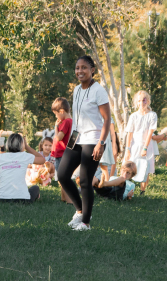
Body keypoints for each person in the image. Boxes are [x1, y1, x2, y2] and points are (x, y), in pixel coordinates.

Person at [57, 55, 111, 231]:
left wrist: (101, 143)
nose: (80, 71)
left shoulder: (98, 91)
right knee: (63, 174)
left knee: (86, 181)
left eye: (84, 68)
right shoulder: (77, 90)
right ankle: (80, 210)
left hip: (93, 139)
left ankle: (85, 223)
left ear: (92, 70)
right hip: (77, 138)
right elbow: (77, 119)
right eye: (77, 68)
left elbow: (107, 119)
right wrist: (70, 142)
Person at [0, 133, 45, 204]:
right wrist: (27, 147)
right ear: (22, 145)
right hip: (23, 200)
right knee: (35, 188)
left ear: (8, 144)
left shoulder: (1, 157)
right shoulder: (25, 156)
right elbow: (42, 159)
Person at [124, 91, 158, 195]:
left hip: (146, 146)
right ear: (136, 102)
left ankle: (142, 192)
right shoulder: (133, 116)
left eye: (144, 100)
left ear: (148, 101)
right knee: (129, 167)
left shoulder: (152, 115)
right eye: (139, 100)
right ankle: (127, 189)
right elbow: (130, 134)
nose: (142, 103)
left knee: (144, 169)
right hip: (134, 145)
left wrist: (145, 148)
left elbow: (150, 133)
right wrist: (127, 149)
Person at [51, 98, 72, 202]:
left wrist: (56, 127)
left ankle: (68, 199)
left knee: (62, 177)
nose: (56, 117)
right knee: (61, 177)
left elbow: (58, 137)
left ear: (62, 111)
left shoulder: (65, 122)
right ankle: (64, 198)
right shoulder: (71, 121)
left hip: (61, 153)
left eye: (56, 114)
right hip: (65, 153)